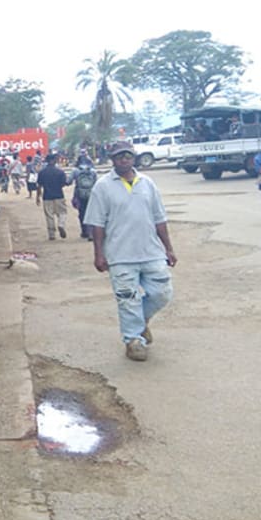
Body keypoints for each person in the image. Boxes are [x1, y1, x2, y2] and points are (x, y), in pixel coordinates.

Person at [84, 141, 177, 362]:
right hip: (119, 255)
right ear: (112, 159)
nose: (124, 159)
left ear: (134, 157)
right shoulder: (103, 186)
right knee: (128, 299)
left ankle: (139, 322)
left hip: (151, 252)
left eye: (127, 155)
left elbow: (159, 219)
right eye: (119, 156)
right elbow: (97, 224)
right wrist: (98, 253)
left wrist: (169, 248)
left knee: (162, 293)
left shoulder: (147, 183)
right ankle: (133, 340)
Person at [36, 153, 70, 240]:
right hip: (59, 195)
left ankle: (52, 234)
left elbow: (39, 186)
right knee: (62, 212)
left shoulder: (42, 173)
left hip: (47, 196)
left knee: (49, 215)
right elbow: (64, 184)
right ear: (54, 161)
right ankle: (61, 224)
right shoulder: (60, 172)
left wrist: (37, 197)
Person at [70, 160, 99, 240]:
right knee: (91, 213)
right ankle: (91, 233)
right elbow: (97, 183)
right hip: (91, 194)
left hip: (80, 195)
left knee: (82, 213)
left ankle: (84, 231)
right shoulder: (93, 171)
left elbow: (68, 181)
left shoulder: (75, 171)